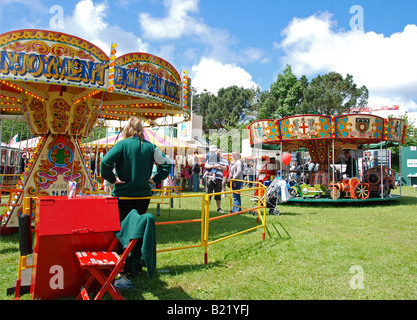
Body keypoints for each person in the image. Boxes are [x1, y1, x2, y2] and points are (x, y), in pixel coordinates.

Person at [205, 147, 228, 213]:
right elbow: (206, 166)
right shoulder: (211, 158)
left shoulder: (224, 160)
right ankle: (207, 208)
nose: (219, 152)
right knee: (208, 192)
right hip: (210, 177)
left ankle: (218, 208)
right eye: (217, 151)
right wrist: (213, 166)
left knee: (218, 193)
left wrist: (219, 166)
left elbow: (225, 169)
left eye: (220, 151)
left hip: (219, 178)